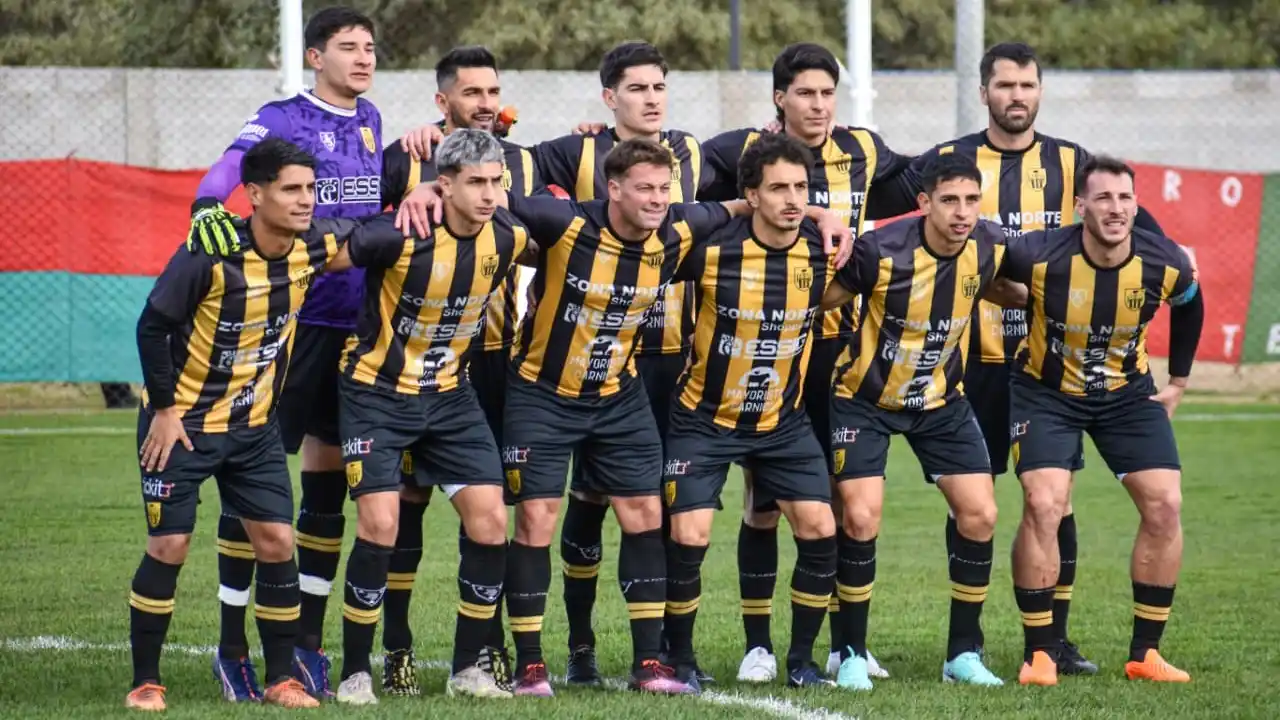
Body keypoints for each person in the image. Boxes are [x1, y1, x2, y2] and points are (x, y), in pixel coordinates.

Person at [395, 137, 852, 697]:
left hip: (618, 395)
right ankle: (532, 663)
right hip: (543, 393)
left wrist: (820, 210)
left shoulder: (680, 228)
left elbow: (739, 206)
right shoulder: (561, 221)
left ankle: (650, 665)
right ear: (613, 189)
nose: (658, 199)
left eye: (665, 189)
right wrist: (426, 188)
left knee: (644, 515)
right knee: (536, 519)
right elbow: (485, 197)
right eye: (644, 189)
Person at [896, 42, 1182, 674]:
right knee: (971, 503)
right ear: (984, 93)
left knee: (1055, 501)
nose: (1016, 95)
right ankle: (965, 643)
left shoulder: (1074, 164)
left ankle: (1054, 641)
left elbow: (1140, 237)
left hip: (1047, 365)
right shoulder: (950, 162)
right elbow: (898, 216)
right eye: (1005, 85)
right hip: (968, 359)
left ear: (1040, 92)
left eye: (1027, 84)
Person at [181, 6, 403, 701]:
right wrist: (208, 207)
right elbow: (226, 169)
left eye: (370, 48)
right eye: (347, 48)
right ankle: (230, 646)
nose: (363, 59)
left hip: (354, 329)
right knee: (257, 482)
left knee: (328, 483)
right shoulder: (284, 115)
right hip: (294, 329)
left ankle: (304, 643)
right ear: (315, 57)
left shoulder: (370, 121)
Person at [127, 138, 382, 712]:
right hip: (183, 424)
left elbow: (375, 236)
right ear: (256, 194)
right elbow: (151, 328)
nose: (305, 201)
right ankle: (146, 681)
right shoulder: (208, 253)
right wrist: (165, 412)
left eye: (311, 190)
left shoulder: (313, 245)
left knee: (276, 540)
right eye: (292, 189)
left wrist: (421, 197)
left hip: (255, 427)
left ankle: (279, 679)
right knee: (169, 544)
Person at [700, 42, 915, 683]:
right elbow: (675, 180)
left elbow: (932, 180)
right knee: (764, 504)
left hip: (842, 351)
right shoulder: (739, 152)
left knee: (847, 503)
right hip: (765, 349)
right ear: (779, 99)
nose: (819, 105)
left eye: (827, 93)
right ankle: (758, 646)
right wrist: (597, 137)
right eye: (805, 94)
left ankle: (849, 644)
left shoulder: (864, 150)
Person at [327, 129, 533, 704]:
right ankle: (354, 673)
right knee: (381, 528)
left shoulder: (511, 235)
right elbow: (323, 256)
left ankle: (469, 668)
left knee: (491, 522)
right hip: (376, 392)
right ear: (443, 185)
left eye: (497, 181)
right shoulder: (399, 234)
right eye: (476, 183)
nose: (490, 193)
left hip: (451, 397)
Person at [539, 41, 708, 685]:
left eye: (659, 86)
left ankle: (667, 650)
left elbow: (755, 190)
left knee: (662, 506)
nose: (652, 98)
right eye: (637, 88)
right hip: (596, 364)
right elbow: (495, 162)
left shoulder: (696, 151)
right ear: (609, 97)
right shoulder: (571, 151)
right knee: (587, 501)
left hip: (674, 360)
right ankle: (580, 646)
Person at [819, 153, 1022, 690]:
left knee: (980, 515)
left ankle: (963, 654)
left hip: (940, 401)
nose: (962, 212)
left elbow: (1016, 283)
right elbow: (819, 300)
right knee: (860, 518)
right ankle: (851, 653)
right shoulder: (882, 251)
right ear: (924, 202)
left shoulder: (991, 244)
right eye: (949, 200)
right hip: (862, 399)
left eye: (971, 200)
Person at [376, 44, 541, 697]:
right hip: (416, 366)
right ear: (441, 102)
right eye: (470, 93)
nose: (484, 103)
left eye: (492, 91)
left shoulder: (521, 158)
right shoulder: (405, 158)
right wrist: (412, 180)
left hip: (498, 362)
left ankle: (484, 650)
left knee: (493, 510)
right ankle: (398, 652)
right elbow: (367, 226)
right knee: (406, 510)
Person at [1005, 155, 1202, 687]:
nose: (1115, 209)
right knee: (1044, 503)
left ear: (1136, 205)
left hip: (1126, 395)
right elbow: (989, 279)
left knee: (1165, 504)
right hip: (1046, 393)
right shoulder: (1036, 254)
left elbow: (1191, 302)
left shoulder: (1167, 262)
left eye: (1124, 198)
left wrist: (1178, 382)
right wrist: (1022, 301)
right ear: (1080, 207)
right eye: (1103, 198)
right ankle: (1040, 654)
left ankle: (1146, 653)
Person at [661, 133, 841, 692]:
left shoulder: (824, 248)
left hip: (780, 422)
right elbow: (653, 234)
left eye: (801, 188)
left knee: (819, 526)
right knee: (689, 533)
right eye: (779, 189)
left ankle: (803, 661)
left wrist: (829, 218)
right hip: (703, 417)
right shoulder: (712, 247)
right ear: (750, 196)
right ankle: (681, 660)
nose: (792, 200)